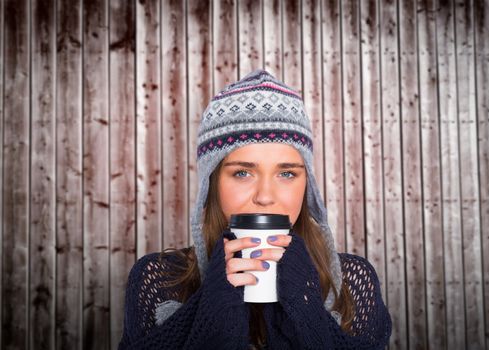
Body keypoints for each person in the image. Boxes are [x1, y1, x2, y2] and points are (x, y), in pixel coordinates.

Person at [118, 70, 392, 349]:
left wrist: (307, 314)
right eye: (242, 173)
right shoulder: (159, 280)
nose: (265, 197)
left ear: (307, 185)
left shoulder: (352, 284)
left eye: (286, 174)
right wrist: (211, 314)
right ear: (211, 184)